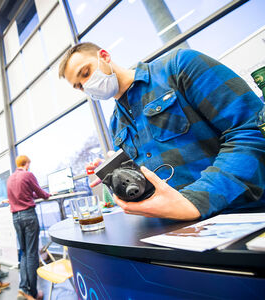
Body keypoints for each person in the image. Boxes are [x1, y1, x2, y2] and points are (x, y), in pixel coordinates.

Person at [59, 42, 265, 220]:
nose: (87, 85)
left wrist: (196, 201)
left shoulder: (178, 66)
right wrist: (116, 176)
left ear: (104, 56)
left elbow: (249, 130)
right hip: (176, 229)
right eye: (79, 86)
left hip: (240, 213)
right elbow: (143, 184)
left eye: (86, 73)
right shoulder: (115, 124)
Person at [7, 155, 50, 300]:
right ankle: (32, 293)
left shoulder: (10, 178)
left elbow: (21, 195)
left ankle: (23, 287)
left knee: (25, 253)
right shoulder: (27, 174)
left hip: (16, 217)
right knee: (32, 254)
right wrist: (47, 195)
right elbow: (39, 192)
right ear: (27, 164)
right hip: (28, 216)